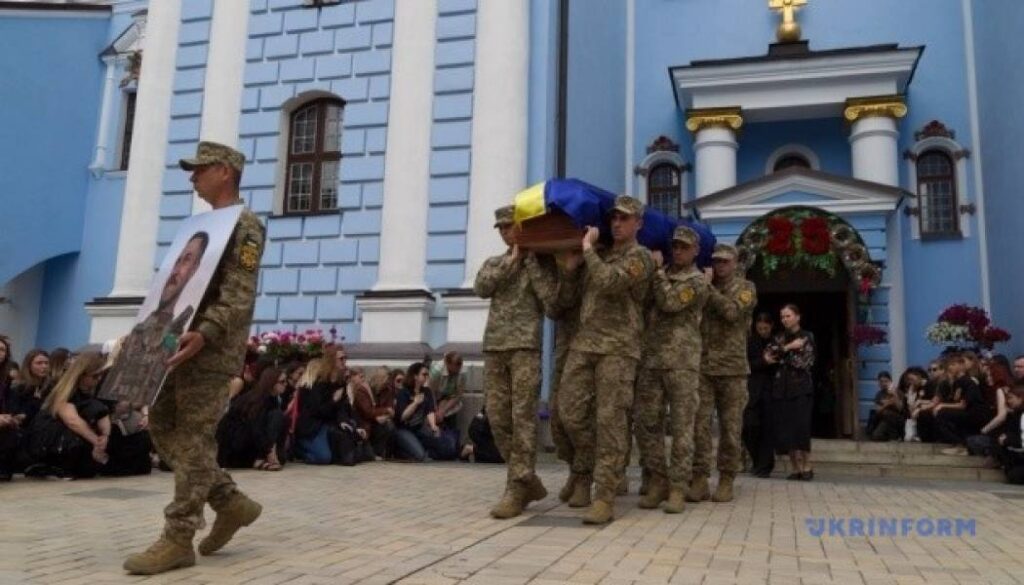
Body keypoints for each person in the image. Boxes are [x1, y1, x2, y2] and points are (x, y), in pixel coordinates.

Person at [123, 141, 266, 575]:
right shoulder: (201, 225)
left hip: (209, 349)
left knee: (196, 435)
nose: (192, 177)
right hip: (172, 343)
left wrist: (205, 332)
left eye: (199, 169)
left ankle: (178, 537)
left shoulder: (245, 227)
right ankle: (229, 500)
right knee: (164, 427)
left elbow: (239, 294)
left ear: (225, 171)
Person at [557, 195, 654, 524]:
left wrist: (587, 249)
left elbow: (610, 282)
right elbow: (571, 298)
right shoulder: (599, 255)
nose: (616, 223)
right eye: (613, 218)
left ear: (638, 223)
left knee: (610, 421)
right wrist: (571, 270)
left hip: (619, 347)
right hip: (585, 343)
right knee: (568, 412)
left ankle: (604, 495)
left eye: (624, 218)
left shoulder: (641, 258)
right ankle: (584, 469)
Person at [473, 204, 558, 519]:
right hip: (495, 347)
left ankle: (516, 488)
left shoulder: (541, 264)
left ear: (523, 228)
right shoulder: (495, 263)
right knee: (497, 418)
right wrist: (512, 262)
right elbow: (481, 287)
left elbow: (551, 302)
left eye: (510, 226)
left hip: (524, 348)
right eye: (502, 229)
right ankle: (527, 479)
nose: (506, 232)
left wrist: (532, 263)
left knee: (522, 418)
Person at [634, 226, 708, 513]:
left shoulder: (697, 281)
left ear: (695, 251)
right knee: (645, 423)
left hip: (682, 364)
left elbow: (670, 302)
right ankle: (658, 479)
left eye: (684, 247)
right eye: (675, 246)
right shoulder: (661, 276)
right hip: (652, 360)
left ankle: (678, 486)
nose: (678, 251)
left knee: (681, 427)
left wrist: (657, 274)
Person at [104, 231, 207, 407]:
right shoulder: (140, 328)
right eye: (177, 260)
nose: (176, 270)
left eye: (187, 260)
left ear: (195, 268)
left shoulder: (184, 330)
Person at [690, 244, 757, 502]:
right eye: (716, 261)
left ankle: (727, 478)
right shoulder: (705, 286)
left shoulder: (746, 288)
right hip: (704, 367)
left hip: (733, 370)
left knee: (730, 429)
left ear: (736, 262)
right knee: (699, 426)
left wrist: (707, 289)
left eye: (725, 262)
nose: (719, 266)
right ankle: (699, 478)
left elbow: (731, 312)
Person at [25, 352, 112, 479]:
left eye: (100, 376)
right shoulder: (65, 392)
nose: (98, 380)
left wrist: (105, 437)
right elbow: (72, 420)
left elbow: (103, 416)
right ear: (81, 375)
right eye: (95, 376)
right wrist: (97, 442)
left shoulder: (92, 393)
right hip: (53, 437)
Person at [764, 304, 816, 480]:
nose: (785, 319)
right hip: (781, 388)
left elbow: (804, 362)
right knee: (786, 428)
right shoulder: (779, 337)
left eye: (788, 316)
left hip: (800, 387)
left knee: (801, 427)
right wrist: (789, 347)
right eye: (782, 317)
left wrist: (782, 355)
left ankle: (807, 466)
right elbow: (768, 356)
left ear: (797, 317)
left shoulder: (807, 336)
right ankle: (795, 468)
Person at [216, 368, 287, 470]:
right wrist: (268, 449)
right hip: (235, 440)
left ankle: (259, 458)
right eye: (282, 382)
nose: (285, 384)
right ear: (271, 382)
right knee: (277, 416)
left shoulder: (273, 399)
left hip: (245, 438)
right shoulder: (258, 400)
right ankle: (259, 458)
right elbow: (255, 427)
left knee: (282, 457)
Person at [393, 362, 457, 461]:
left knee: (448, 447)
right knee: (420, 455)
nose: (426, 377)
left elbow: (430, 410)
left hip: (420, 429)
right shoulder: (404, 392)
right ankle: (402, 452)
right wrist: (415, 403)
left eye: (427, 374)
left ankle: (426, 452)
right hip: (404, 429)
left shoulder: (426, 391)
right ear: (415, 376)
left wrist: (433, 426)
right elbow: (402, 417)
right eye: (424, 374)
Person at [936, 354, 994, 455]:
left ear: (961, 365)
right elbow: (955, 400)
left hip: (976, 413)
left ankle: (960, 444)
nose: (950, 367)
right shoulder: (957, 383)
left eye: (953, 364)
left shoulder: (968, 382)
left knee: (942, 413)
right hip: (967, 411)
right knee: (943, 413)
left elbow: (963, 404)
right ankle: (959, 443)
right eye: (950, 365)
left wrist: (942, 406)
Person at [744, 312, 777, 477]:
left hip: (771, 392)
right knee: (749, 427)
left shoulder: (776, 342)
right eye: (760, 327)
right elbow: (745, 365)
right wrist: (763, 362)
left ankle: (765, 467)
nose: (762, 330)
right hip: (752, 391)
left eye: (765, 327)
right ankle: (756, 461)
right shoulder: (750, 342)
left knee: (768, 430)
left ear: (771, 326)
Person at [966, 360, 1013, 459]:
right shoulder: (1005, 388)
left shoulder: (1000, 390)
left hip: (1003, 431)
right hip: (1005, 431)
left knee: (973, 441)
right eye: (987, 376)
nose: (988, 379)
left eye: (991, 376)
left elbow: (1001, 416)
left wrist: (984, 430)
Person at [355, 367, 395, 459]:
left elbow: (391, 409)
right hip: (365, 421)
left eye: (386, 379)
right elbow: (367, 411)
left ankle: (379, 452)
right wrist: (383, 413)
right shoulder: (363, 389)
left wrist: (386, 416)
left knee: (389, 426)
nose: (384, 381)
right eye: (381, 378)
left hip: (381, 420)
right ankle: (372, 452)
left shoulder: (388, 390)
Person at [430, 351, 467, 431]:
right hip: (435, 395)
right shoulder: (437, 370)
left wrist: (443, 411)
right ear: (447, 364)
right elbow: (430, 391)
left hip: (450, 397)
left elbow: (458, 395)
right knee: (436, 418)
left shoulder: (463, 372)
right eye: (451, 372)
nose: (453, 374)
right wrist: (435, 409)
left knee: (449, 421)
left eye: (456, 372)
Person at [994, 384, 1024, 483]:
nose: (1009, 401)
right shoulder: (1015, 414)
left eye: (1011, 398)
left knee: (1014, 476)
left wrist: (1007, 439)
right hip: (1017, 452)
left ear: (1020, 399)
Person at [867, 371, 905, 442]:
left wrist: (894, 395)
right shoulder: (879, 394)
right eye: (881, 381)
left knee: (889, 414)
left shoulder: (899, 392)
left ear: (890, 381)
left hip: (897, 420)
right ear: (879, 383)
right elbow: (878, 410)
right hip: (885, 420)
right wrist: (887, 404)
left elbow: (900, 408)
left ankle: (895, 437)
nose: (884, 384)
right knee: (876, 436)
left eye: (886, 381)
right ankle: (892, 437)